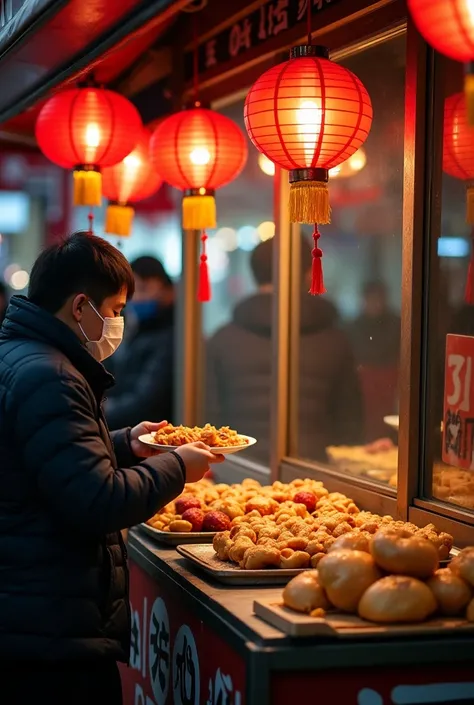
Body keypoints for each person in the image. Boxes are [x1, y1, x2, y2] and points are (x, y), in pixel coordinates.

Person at [0, 232, 223, 704]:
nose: (119, 323)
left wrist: (126, 443)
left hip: (32, 613)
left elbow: (50, 459)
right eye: (115, 311)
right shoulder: (51, 374)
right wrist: (176, 466)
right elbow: (96, 501)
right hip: (49, 631)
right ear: (80, 307)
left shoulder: (24, 355)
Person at [206, 237, 363, 464]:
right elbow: (350, 421)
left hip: (237, 469)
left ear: (254, 274)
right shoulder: (336, 340)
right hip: (313, 474)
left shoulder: (222, 338)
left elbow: (209, 414)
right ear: (309, 273)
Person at [105, 256, 175, 429]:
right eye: (131, 293)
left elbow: (147, 401)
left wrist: (97, 412)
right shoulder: (133, 329)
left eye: (144, 289)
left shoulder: (173, 337)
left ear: (168, 291)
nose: (136, 299)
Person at [348, 280, 401, 441]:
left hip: (391, 383)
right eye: (371, 299)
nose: (375, 303)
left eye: (379, 299)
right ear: (364, 300)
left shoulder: (396, 324)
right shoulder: (355, 326)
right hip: (363, 383)